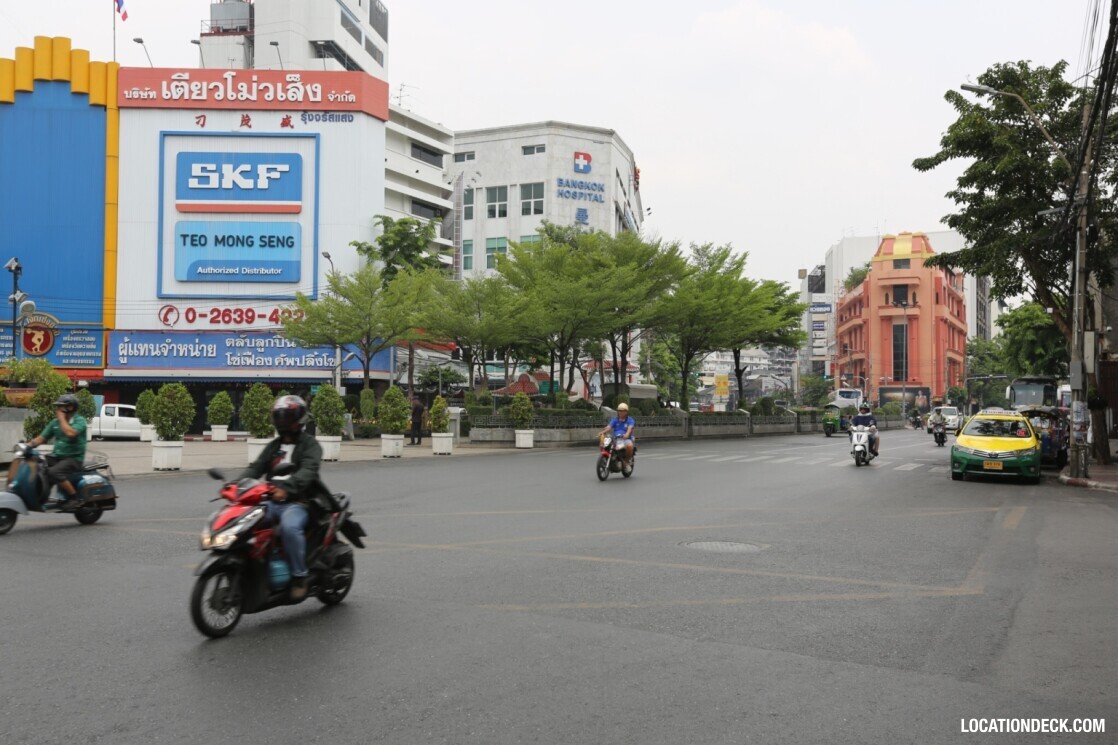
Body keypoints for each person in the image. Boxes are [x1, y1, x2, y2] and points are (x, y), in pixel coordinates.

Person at [238, 395, 323, 601]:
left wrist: (287, 488)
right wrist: (236, 485)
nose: (282, 422)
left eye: (287, 417)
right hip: (271, 500)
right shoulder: (274, 445)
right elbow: (256, 468)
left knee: (289, 527)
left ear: (299, 420)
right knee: (243, 523)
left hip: (299, 502)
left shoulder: (311, 445)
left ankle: (300, 576)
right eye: (280, 417)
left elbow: (308, 472)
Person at [30, 394, 88, 509]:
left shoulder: (80, 421)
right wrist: (28, 445)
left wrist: (61, 419)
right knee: (39, 466)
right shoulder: (55, 423)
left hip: (74, 458)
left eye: (60, 406)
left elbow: (71, 433)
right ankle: (42, 496)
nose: (57, 410)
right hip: (57, 457)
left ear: (70, 407)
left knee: (54, 473)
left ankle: (74, 498)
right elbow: (42, 438)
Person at [598, 402, 636, 471]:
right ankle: (610, 458)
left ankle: (626, 462)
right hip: (616, 439)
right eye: (619, 411)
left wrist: (627, 434)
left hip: (626, 439)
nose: (620, 412)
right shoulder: (615, 419)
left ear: (626, 412)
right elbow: (609, 427)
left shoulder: (630, 420)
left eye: (622, 411)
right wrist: (602, 432)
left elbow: (630, 428)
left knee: (630, 446)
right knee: (604, 444)